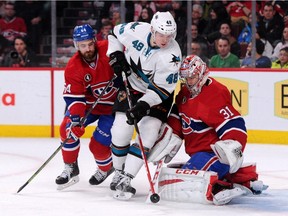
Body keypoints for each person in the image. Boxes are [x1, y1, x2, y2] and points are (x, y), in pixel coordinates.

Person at [148, 55, 268, 205]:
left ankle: (220, 188)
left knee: (185, 180)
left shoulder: (215, 93)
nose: (188, 82)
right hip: (198, 153)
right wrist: (171, 134)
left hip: (216, 153)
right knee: (178, 173)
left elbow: (233, 122)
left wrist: (233, 144)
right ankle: (244, 180)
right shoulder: (185, 92)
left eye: (192, 77)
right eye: (185, 78)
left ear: (202, 73)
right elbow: (179, 113)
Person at [106, 11, 181, 200]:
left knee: (149, 131)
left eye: (169, 35)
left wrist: (142, 106)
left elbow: (162, 90)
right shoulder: (136, 30)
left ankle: (127, 178)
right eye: (161, 34)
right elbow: (114, 34)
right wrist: (115, 55)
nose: (165, 39)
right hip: (132, 86)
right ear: (152, 30)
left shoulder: (172, 56)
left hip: (158, 95)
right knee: (120, 130)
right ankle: (118, 171)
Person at [55, 24, 120, 190]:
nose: (88, 49)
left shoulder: (109, 48)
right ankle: (71, 167)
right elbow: (75, 98)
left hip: (113, 108)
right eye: (83, 46)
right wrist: (76, 120)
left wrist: (123, 70)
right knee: (67, 128)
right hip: (89, 106)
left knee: (97, 145)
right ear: (77, 46)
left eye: (90, 44)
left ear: (95, 41)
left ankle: (106, 168)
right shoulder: (73, 67)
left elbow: (131, 50)